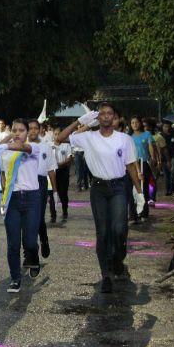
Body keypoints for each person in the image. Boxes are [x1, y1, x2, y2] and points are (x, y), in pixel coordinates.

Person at [56, 103, 145, 293]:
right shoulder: (88, 137)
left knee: (119, 228)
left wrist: (139, 191)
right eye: (102, 114)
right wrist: (80, 122)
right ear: (98, 118)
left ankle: (118, 258)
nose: (105, 117)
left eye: (109, 114)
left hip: (119, 186)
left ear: (115, 118)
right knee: (102, 232)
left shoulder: (124, 139)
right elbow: (60, 138)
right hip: (98, 188)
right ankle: (106, 275)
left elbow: (130, 165)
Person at [0, 119, 41, 292]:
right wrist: (7, 139)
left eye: (21, 130)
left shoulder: (34, 148)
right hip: (12, 199)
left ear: (28, 132)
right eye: (14, 130)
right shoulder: (5, 152)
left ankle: (34, 257)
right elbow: (2, 174)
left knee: (30, 241)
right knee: (13, 243)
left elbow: (24, 148)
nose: (17, 133)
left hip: (31, 199)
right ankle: (15, 278)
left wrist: (7, 145)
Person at [28, 120, 57, 262]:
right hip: (26, 183)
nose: (33, 131)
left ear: (40, 129)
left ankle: (43, 239)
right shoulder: (23, 146)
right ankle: (29, 253)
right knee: (27, 220)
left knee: (38, 218)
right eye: (30, 128)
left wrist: (55, 192)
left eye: (35, 128)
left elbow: (51, 169)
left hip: (40, 182)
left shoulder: (46, 147)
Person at [129, 116, 156, 221]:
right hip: (133, 164)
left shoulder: (147, 134)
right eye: (132, 123)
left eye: (136, 122)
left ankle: (144, 212)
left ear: (140, 123)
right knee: (135, 188)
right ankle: (136, 211)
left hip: (144, 163)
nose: (135, 124)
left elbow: (151, 146)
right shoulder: (130, 137)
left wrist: (153, 158)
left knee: (144, 187)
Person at [54, 130, 72, 221]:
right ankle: (53, 214)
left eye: (59, 134)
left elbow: (69, 158)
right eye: (55, 134)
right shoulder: (50, 146)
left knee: (63, 192)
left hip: (63, 170)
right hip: (53, 171)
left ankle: (65, 210)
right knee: (53, 192)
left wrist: (62, 164)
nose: (57, 136)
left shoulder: (66, 145)